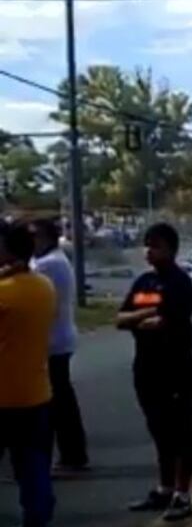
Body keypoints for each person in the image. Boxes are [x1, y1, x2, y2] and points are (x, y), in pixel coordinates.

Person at [116, 223, 192, 521]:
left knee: (180, 431)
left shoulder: (180, 283)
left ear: (171, 249)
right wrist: (145, 314)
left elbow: (167, 321)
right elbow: (121, 319)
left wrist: (147, 319)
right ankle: (164, 488)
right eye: (147, 245)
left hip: (175, 367)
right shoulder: (143, 282)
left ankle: (182, 493)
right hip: (146, 366)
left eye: (156, 246)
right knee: (159, 430)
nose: (149, 251)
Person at [0, 221, 57, 527]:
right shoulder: (43, 287)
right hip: (36, 394)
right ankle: (39, 516)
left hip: (3, 396)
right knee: (33, 466)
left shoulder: (4, 293)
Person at [30, 218, 89, 472]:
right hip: (57, 339)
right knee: (61, 399)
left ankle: (72, 455)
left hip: (52, 341)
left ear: (46, 238)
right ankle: (72, 454)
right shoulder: (54, 259)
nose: (31, 242)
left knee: (57, 402)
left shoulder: (49, 264)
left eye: (34, 236)